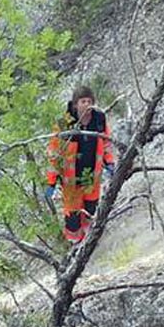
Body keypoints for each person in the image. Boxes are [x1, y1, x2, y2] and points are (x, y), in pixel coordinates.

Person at [44, 86, 117, 243]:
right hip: (71, 182)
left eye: (89, 101)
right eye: (83, 101)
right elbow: (54, 154)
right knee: (73, 219)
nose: (87, 104)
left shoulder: (99, 119)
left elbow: (106, 143)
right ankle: (75, 245)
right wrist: (51, 182)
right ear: (76, 104)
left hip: (91, 177)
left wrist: (109, 162)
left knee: (91, 210)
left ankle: (90, 241)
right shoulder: (65, 124)